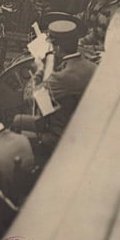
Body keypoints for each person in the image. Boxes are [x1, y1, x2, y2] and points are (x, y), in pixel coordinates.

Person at [14, 19, 96, 160]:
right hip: (83, 126)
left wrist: (40, 70)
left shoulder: (62, 77)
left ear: (57, 48)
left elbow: (29, 97)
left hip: (61, 135)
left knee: (17, 122)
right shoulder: (90, 66)